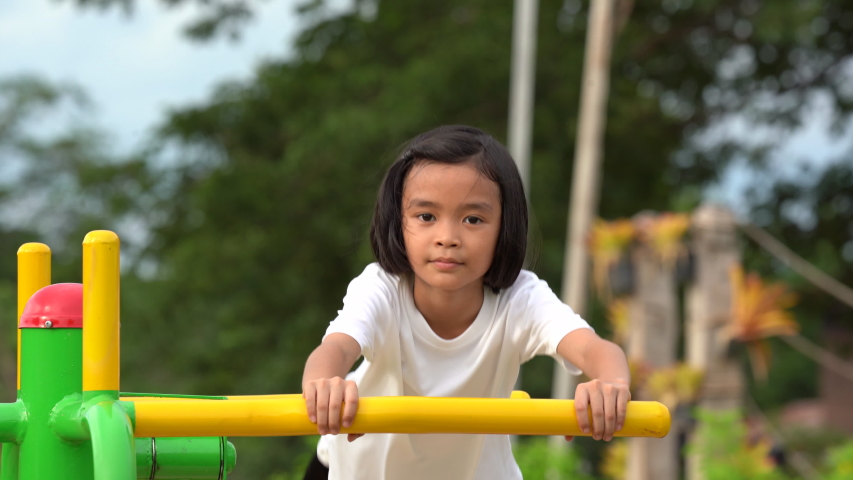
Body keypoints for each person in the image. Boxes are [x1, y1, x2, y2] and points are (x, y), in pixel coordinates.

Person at [301, 125, 631, 480]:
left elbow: (593, 348)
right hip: (361, 468)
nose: (447, 238)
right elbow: (336, 348)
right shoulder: (383, 288)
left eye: (473, 219)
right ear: (399, 223)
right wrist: (325, 384)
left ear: (504, 227)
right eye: (426, 217)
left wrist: (610, 384)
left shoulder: (519, 299)